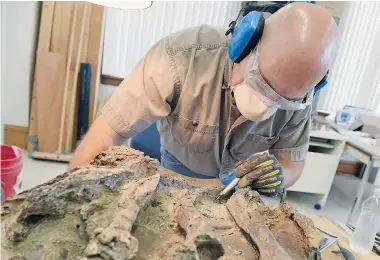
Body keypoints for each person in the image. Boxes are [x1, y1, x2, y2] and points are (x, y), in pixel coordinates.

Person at [69, 2, 339, 197]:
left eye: (280, 100)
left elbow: (291, 165)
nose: (262, 107)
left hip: (240, 188)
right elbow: (105, 133)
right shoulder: (180, 57)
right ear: (243, 44)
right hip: (176, 172)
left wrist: (278, 177)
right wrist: (75, 197)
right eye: (261, 83)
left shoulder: (301, 92)